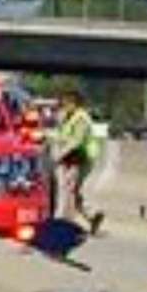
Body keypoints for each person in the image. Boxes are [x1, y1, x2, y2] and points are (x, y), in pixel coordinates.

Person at [44, 88, 104, 233]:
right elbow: (62, 135)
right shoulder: (70, 116)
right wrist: (49, 135)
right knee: (71, 190)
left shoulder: (81, 118)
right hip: (72, 158)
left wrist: (58, 156)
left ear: (74, 103)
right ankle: (91, 215)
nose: (63, 105)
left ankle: (63, 221)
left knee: (67, 191)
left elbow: (75, 142)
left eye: (65, 102)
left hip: (80, 158)